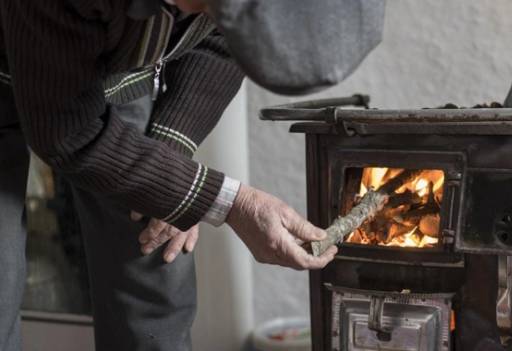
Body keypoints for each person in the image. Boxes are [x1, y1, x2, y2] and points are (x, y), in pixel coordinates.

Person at [0, 0, 385, 349]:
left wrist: (171, 177)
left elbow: (222, 45)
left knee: (153, 262)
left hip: (113, 73)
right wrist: (224, 201)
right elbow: (69, 134)